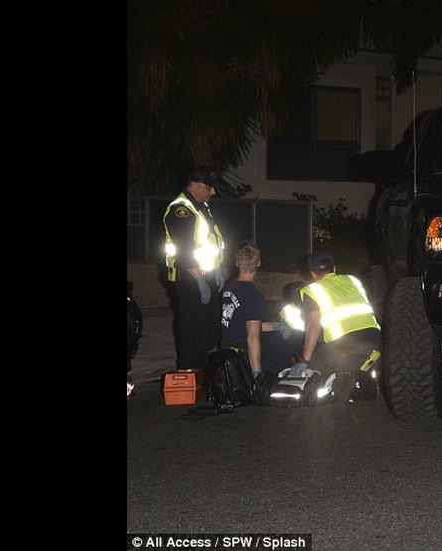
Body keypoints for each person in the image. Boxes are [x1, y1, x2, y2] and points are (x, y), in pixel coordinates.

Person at [290, 252, 381, 404]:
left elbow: (314, 325)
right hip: (376, 341)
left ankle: (334, 384)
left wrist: (304, 361)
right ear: (334, 268)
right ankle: (361, 378)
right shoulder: (353, 280)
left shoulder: (312, 290)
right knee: (354, 361)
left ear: (312, 274)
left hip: (345, 345)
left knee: (315, 362)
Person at [163, 167, 227, 372]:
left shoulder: (201, 207)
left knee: (210, 331)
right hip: (191, 280)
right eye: (210, 188)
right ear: (197, 186)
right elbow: (184, 249)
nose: (213, 192)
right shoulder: (181, 209)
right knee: (192, 331)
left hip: (207, 276)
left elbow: (209, 243)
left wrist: (216, 269)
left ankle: (202, 374)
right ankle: (188, 374)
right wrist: (199, 279)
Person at [220, 241, 300, 382]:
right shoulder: (253, 295)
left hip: (228, 349)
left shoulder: (229, 288)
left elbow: (242, 322)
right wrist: (257, 373)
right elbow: (252, 336)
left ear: (237, 263)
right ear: (258, 264)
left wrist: (276, 326)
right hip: (242, 354)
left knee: (279, 334)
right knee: (290, 341)